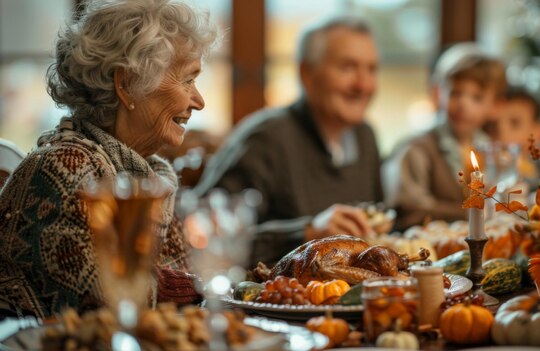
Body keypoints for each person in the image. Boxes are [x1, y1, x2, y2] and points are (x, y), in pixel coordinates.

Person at [0, 0, 217, 319]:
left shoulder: (152, 176)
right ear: (126, 84)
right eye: (187, 80)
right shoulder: (64, 168)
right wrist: (207, 286)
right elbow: (110, 303)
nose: (199, 101)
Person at [194, 17, 382, 265]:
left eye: (371, 69)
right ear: (307, 74)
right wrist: (307, 233)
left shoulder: (365, 136)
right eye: (348, 67)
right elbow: (204, 235)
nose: (363, 84)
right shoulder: (264, 139)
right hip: (267, 297)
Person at [383, 45, 506, 229]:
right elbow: (409, 208)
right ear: (437, 93)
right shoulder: (416, 149)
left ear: (495, 106)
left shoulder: (490, 151)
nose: (463, 104)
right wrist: (470, 213)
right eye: (455, 93)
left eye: (477, 97)